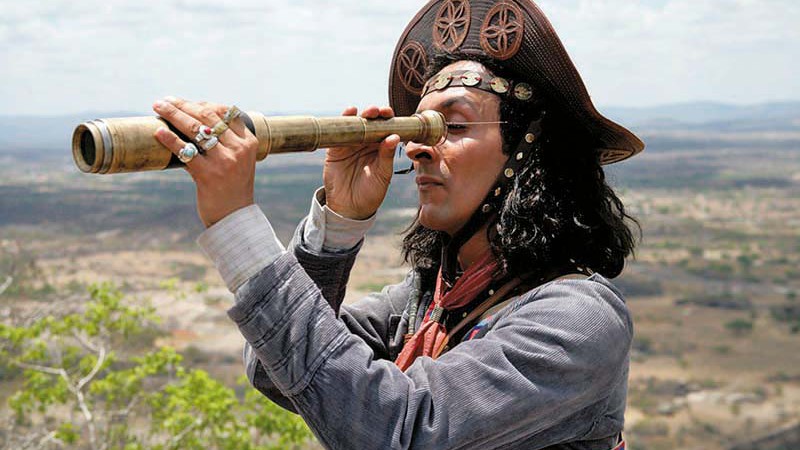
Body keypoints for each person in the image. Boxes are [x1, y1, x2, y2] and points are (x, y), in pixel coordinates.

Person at [151, 0, 644, 448]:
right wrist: (337, 227)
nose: (417, 147)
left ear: (528, 152)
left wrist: (238, 226)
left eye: (453, 126)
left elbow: (402, 429)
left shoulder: (579, 318)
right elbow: (277, 372)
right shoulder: (428, 300)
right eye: (418, 127)